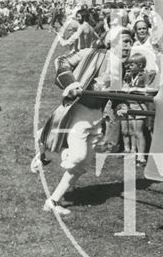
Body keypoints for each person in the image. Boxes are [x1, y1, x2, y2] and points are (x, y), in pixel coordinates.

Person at [32, 28, 134, 215]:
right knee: (78, 156)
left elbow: (117, 97)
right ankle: (45, 149)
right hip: (77, 112)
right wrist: (71, 83)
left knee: (82, 164)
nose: (127, 46)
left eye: (130, 42)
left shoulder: (121, 68)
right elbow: (61, 61)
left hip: (96, 118)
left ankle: (53, 201)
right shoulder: (91, 53)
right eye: (124, 41)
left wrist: (121, 107)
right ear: (112, 42)